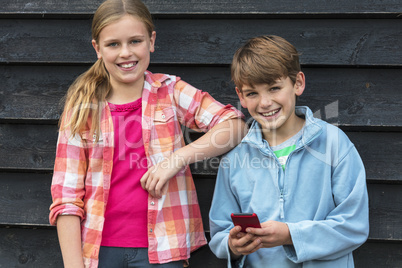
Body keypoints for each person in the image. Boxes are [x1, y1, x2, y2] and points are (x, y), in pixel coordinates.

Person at [49, 0, 246, 267]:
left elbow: (233, 125)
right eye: (113, 44)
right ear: (97, 48)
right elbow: (67, 197)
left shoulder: (170, 91)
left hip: (164, 250)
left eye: (135, 41)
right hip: (98, 251)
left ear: (151, 41)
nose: (125, 53)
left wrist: (177, 159)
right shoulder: (82, 107)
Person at [208, 35, 369, 267]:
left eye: (274, 88)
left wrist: (290, 235)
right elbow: (221, 231)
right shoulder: (234, 160)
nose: (264, 102)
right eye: (252, 93)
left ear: (298, 83)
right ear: (241, 97)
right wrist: (231, 246)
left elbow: (353, 225)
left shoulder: (334, 144)